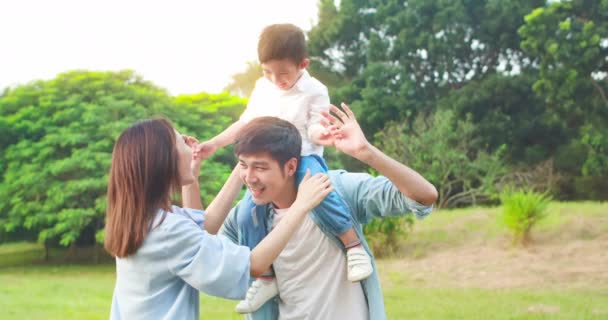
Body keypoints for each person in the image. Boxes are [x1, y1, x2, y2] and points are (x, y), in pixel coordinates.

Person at [195, 23, 373, 314]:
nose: (275, 80)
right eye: (267, 72)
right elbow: (246, 122)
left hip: (302, 156)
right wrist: (214, 144)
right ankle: (266, 277)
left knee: (318, 190)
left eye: (283, 74)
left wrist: (323, 135)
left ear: (303, 64)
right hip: (269, 163)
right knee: (245, 212)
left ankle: (352, 244)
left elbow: (315, 125)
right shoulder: (262, 87)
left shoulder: (315, 90)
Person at [220, 103, 438, 320]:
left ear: (290, 166)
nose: (249, 177)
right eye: (243, 165)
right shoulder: (249, 217)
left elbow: (424, 196)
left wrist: (366, 152)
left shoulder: (337, 191)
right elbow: (206, 246)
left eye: (260, 167)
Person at [104, 118, 333, 320]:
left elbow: (206, 224)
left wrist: (246, 162)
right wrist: (301, 205)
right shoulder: (167, 231)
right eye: (181, 142)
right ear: (165, 161)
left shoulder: (147, 219)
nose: (190, 145)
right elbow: (253, 265)